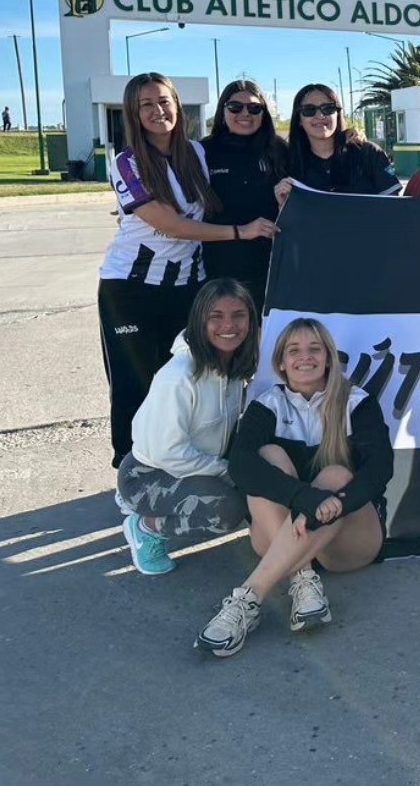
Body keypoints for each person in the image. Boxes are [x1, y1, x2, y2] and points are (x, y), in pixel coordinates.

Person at [98, 72, 276, 469]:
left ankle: (183, 459)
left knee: (190, 375)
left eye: (164, 101)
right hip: (130, 289)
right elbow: (170, 225)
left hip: (187, 287)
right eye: (146, 104)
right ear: (133, 113)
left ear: (177, 106)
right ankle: (131, 470)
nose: (157, 111)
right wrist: (240, 232)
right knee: (134, 382)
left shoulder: (196, 153)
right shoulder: (126, 162)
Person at [196, 317, 393, 658]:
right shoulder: (267, 404)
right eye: (294, 350)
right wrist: (306, 500)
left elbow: (380, 469)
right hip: (282, 533)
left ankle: (248, 597)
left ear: (328, 358)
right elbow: (241, 465)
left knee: (335, 476)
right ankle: (302, 577)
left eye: (315, 349)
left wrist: (334, 504)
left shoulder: (356, 402)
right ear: (281, 363)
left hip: (347, 543)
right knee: (267, 456)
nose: (305, 357)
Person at [117, 280, 258, 575]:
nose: (228, 325)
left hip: (199, 466)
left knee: (258, 487)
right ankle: (146, 526)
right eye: (216, 316)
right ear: (199, 320)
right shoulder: (178, 377)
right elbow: (168, 453)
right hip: (147, 474)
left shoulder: (233, 367)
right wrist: (226, 472)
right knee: (226, 511)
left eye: (238, 315)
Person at [199, 80, 287, 311]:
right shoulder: (202, 151)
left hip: (272, 267)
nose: (245, 113)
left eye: (254, 108)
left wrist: (349, 136)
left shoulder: (280, 150)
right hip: (218, 268)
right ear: (222, 110)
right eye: (235, 107)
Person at [275, 84, 399, 207]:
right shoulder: (288, 164)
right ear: (299, 120)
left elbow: (394, 207)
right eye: (309, 110)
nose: (320, 116)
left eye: (328, 108)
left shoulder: (369, 153)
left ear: (338, 114)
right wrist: (283, 205)